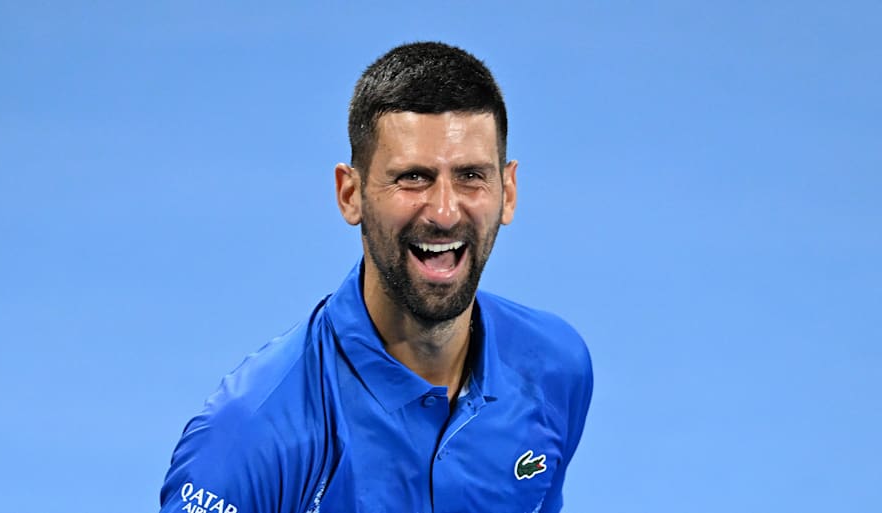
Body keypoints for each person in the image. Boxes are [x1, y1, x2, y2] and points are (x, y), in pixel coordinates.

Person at [160, 41, 593, 513]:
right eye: (413, 177)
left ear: (508, 192)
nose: (445, 212)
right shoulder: (249, 438)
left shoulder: (555, 368)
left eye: (471, 176)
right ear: (351, 194)